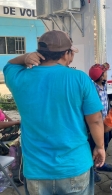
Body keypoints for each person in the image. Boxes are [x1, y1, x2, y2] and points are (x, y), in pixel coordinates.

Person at [4, 30, 105, 195]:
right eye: (71, 52)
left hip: (36, 170)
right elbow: (95, 120)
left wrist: (25, 57)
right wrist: (100, 147)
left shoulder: (18, 77)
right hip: (74, 165)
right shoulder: (79, 78)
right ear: (66, 54)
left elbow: (9, 65)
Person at [88, 63, 112, 182]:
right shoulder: (93, 88)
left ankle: (100, 163)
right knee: (94, 145)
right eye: (105, 73)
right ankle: (91, 169)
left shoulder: (104, 85)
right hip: (96, 124)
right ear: (101, 76)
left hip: (105, 122)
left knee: (106, 142)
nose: (106, 75)